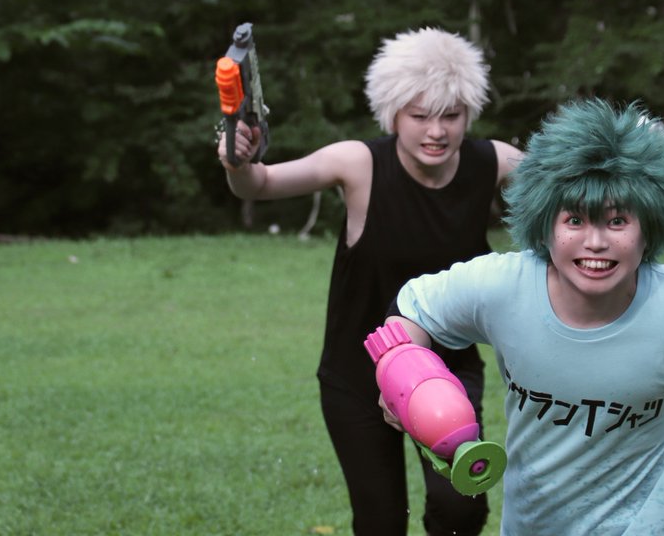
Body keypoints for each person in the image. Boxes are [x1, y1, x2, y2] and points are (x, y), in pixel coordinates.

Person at [373, 98, 664, 535]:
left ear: (650, 227)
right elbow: (411, 312)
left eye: (617, 221)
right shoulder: (501, 287)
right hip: (541, 521)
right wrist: (403, 373)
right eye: (575, 220)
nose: (595, 242)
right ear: (544, 225)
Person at [220, 27, 523, 536]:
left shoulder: (492, 162)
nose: (436, 131)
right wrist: (237, 159)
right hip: (356, 377)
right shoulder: (357, 164)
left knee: (461, 510)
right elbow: (260, 183)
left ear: (468, 113)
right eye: (419, 116)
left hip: (448, 372)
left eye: (450, 115)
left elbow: (573, 189)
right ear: (393, 113)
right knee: (380, 521)